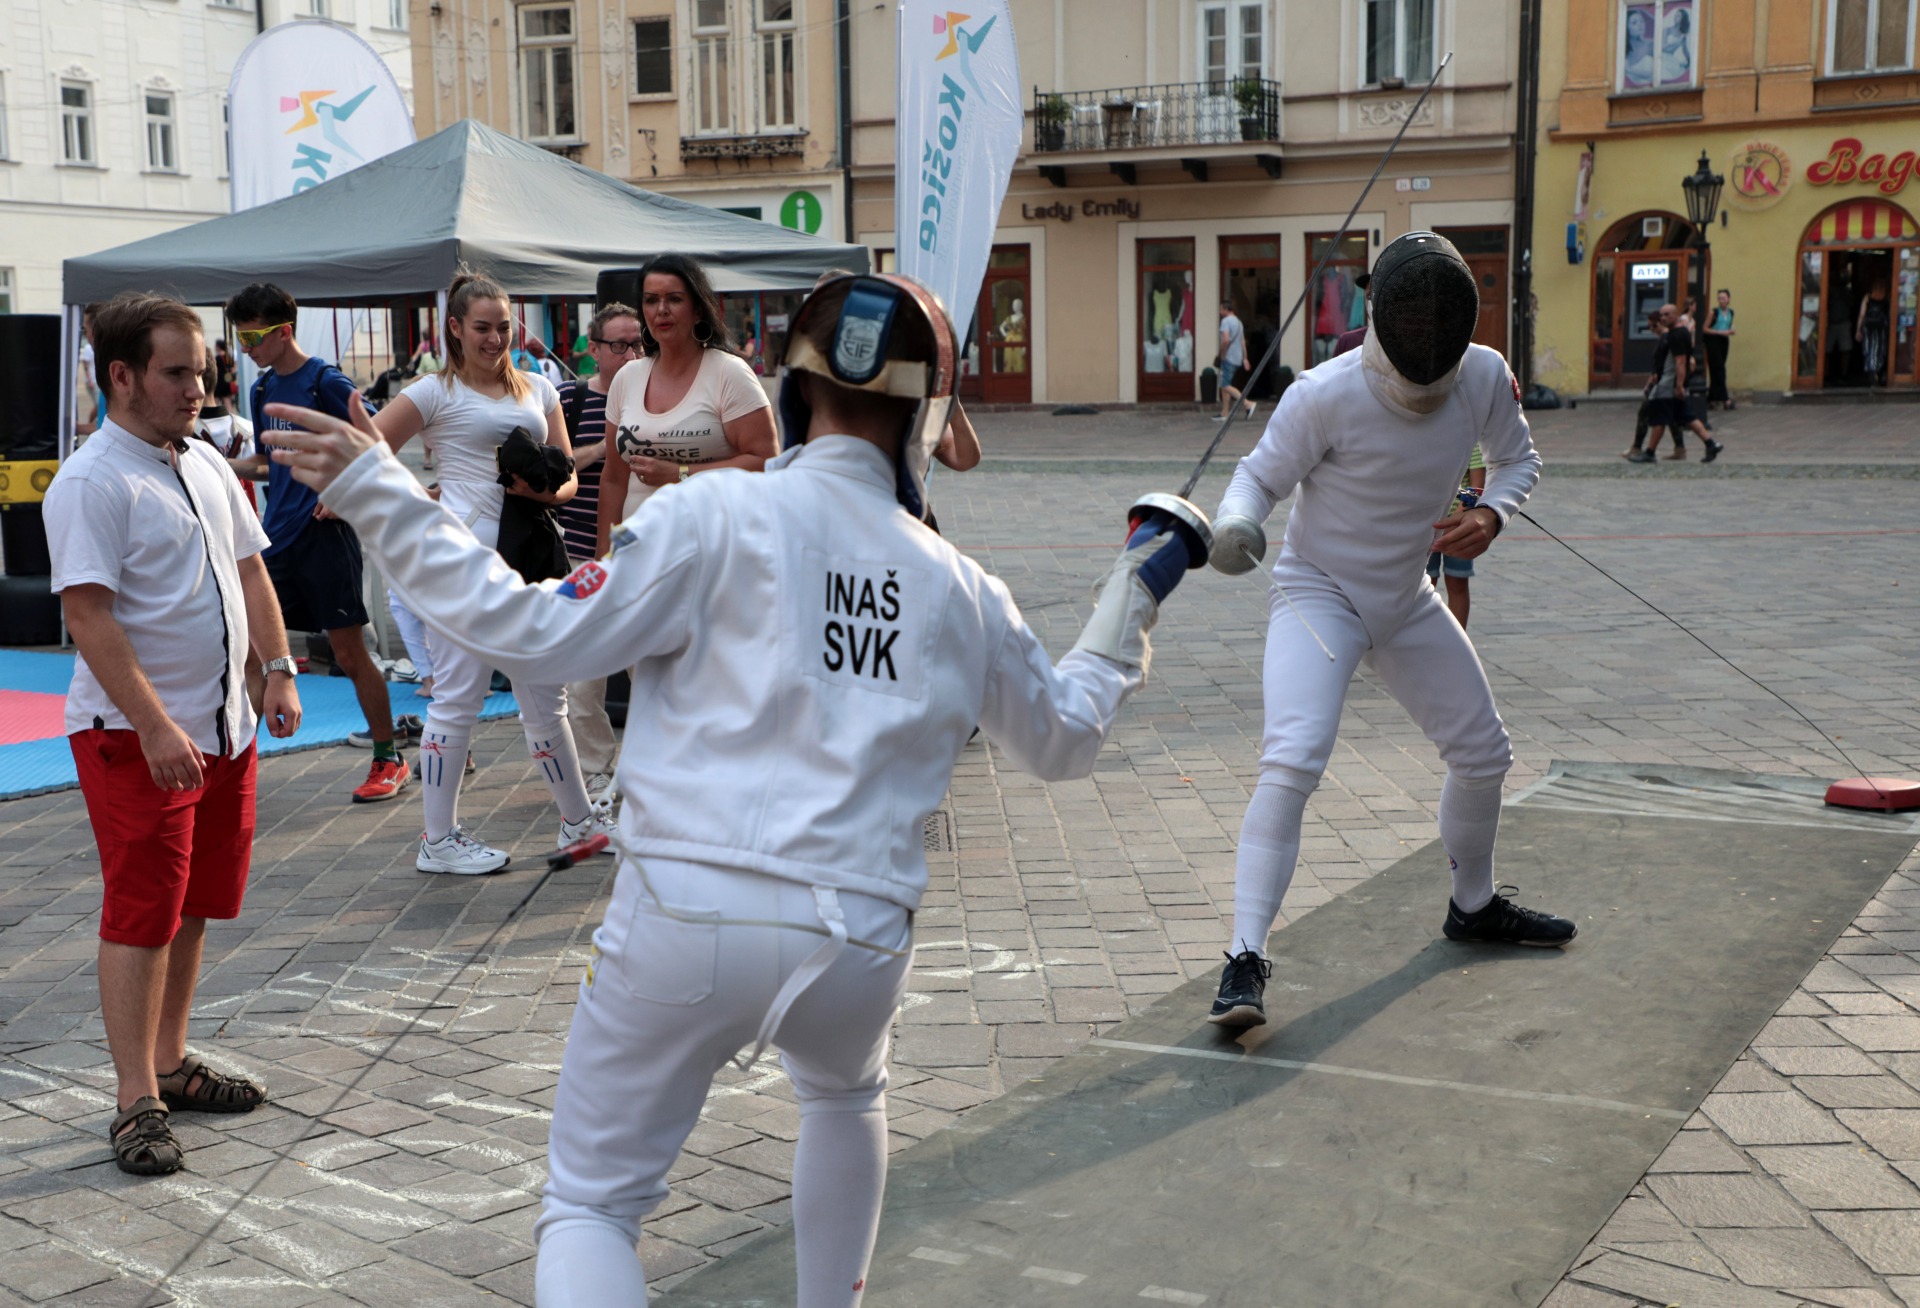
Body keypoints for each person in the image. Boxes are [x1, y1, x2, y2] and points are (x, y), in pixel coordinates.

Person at [262, 269, 1203, 1308]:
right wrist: (1136, 587)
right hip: (858, 938)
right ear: (929, 418)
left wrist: (381, 491)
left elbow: (527, 629)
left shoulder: (712, 515)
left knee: (592, 1208)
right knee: (846, 1096)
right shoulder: (958, 582)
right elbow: (1065, 739)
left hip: (683, 913)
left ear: (792, 393)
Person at [1205, 232, 1576, 1030]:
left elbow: (1518, 460)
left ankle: (1473, 906)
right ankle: (1243, 957)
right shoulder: (1325, 393)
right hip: (1319, 594)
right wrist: (1236, 524)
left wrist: (1492, 513)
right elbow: (1257, 476)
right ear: (1380, 314)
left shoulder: (1482, 375)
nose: (1427, 340)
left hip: (1406, 598)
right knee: (1293, 757)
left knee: (1484, 752)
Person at [45, 291, 303, 1176]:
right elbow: (88, 616)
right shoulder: (92, 481)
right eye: (178, 373)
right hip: (138, 738)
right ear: (122, 377)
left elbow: (249, 570)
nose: (200, 388)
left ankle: (169, 1060)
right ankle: (135, 1101)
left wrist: (278, 666)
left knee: (193, 903)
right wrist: (155, 726)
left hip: (224, 729)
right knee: (142, 913)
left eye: (204, 370)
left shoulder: (201, 460)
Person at [371, 270, 608, 874]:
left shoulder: (539, 388)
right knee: (458, 695)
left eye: (504, 326)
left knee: (545, 695)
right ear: (454, 328)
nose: (495, 338)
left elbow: (568, 475)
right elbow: (367, 449)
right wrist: (416, 502)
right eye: (482, 327)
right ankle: (438, 840)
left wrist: (546, 490)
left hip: (531, 556)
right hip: (463, 562)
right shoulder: (433, 392)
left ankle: (580, 823)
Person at [226, 283, 411, 803]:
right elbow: (268, 463)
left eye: (254, 337)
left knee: (349, 653)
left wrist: (342, 492)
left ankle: (389, 758)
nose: (246, 348)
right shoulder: (263, 388)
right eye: (241, 338)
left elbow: (377, 445)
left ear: (284, 331)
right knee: (250, 650)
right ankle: (234, 769)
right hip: (275, 540)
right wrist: (215, 463)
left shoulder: (325, 382)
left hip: (325, 538)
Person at [594, 254, 779, 558]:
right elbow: (614, 479)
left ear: (698, 309)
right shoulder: (627, 378)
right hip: (639, 556)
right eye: (651, 300)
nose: (662, 310)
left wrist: (681, 472)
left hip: (715, 554)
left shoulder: (728, 373)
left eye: (674, 299)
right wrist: (604, 558)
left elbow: (766, 463)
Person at [557, 302, 644, 800]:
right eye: (619, 345)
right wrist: (598, 452)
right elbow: (552, 465)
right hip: (580, 556)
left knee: (650, 671)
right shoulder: (571, 400)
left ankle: (649, 766)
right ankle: (593, 768)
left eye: (638, 344)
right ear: (594, 349)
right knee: (583, 678)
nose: (631, 354)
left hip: (640, 555)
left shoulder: (656, 398)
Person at [1630, 303, 1722, 464]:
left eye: (1667, 315)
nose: (1663, 318)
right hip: (1673, 383)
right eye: (1661, 315)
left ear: (1676, 315)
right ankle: (1711, 444)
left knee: (1659, 419)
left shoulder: (1676, 335)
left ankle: (1650, 452)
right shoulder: (1681, 333)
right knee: (1688, 417)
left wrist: (1679, 385)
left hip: (1668, 384)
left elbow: (1680, 361)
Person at [1425, 444, 1484, 628]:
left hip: (1459, 527)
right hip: (1426, 525)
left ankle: (1459, 635)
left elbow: (1476, 485)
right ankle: (1426, 637)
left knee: (1457, 582)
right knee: (1425, 584)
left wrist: (1456, 517)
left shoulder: (1472, 441)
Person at [1217, 300, 1256, 421]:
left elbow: (1225, 340)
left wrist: (1222, 354)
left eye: (1221, 309)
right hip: (1237, 357)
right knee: (1226, 384)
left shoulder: (1225, 321)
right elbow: (1242, 341)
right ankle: (1224, 412)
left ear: (1226, 309)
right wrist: (1245, 358)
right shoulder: (1239, 322)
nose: (1219, 312)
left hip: (1228, 356)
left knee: (1224, 385)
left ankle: (1247, 403)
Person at [1704, 288, 1735, 409]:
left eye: (1723, 298)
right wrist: (1719, 332)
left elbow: (1728, 325)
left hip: (1724, 341)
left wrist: (1730, 331)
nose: (1721, 300)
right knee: (1720, 369)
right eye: (1719, 298)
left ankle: (1711, 399)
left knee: (1717, 370)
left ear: (1728, 299)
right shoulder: (1714, 312)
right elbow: (1705, 328)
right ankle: (1725, 399)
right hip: (1713, 341)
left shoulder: (1731, 312)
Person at [1859, 277, 1891, 386]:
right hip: (1881, 327)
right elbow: (1891, 313)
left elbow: (1862, 314)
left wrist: (1858, 330)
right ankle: (1879, 371)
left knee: (1869, 348)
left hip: (1868, 327)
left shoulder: (1868, 297)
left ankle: (1871, 371)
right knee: (1880, 349)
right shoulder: (1887, 297)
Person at [1331, 273, 1371, 357]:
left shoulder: (1398, 343)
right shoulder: (1347, 342)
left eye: (1377, 294)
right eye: (1369, 296)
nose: (1372, 302)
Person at [212, 338, 238, 413]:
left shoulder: (217, 358)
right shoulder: (228, 357)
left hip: (219, 382)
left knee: (215, 401)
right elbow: (233, 368)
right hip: (227, 382)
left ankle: (214, 415)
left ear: (218, 347)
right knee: (227, 401)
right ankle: (230, 415)